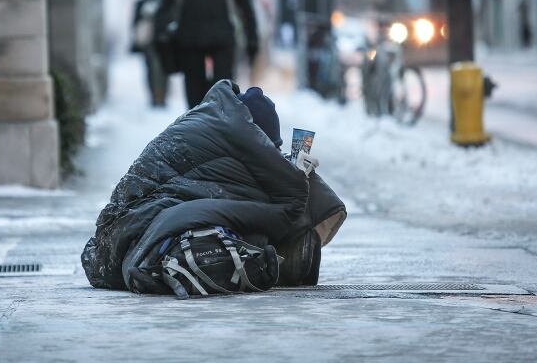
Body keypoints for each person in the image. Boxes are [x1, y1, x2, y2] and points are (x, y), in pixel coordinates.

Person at [81, 80, 346, 296]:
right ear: (258, 138)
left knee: (252, 217)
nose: (273, 154)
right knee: (262, 225)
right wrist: (297, 175)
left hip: (116, 235)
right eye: (271, 147)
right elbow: (290, 202)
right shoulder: (233, 134)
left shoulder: (212, 118)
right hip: (132, 231)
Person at [130, 0, 168, 107]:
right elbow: (135, 23)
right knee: (151, 70)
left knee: (163, 70)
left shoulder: (165, 1)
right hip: (148, 42)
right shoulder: (141, 3)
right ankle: (154, 96)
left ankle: (162, 97)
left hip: (162, 42)